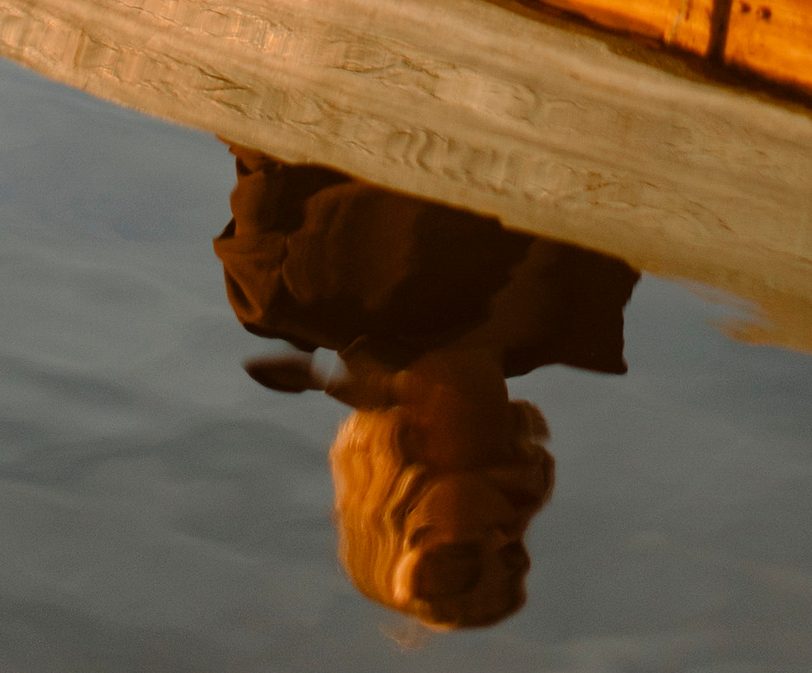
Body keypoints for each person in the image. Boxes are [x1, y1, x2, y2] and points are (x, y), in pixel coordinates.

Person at [216, 151, 630, 635]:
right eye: (516, 559)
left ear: (394, 515)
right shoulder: (582, 324)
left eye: (458, 563)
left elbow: (270, 117)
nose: (505, 538)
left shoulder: (287, 293)